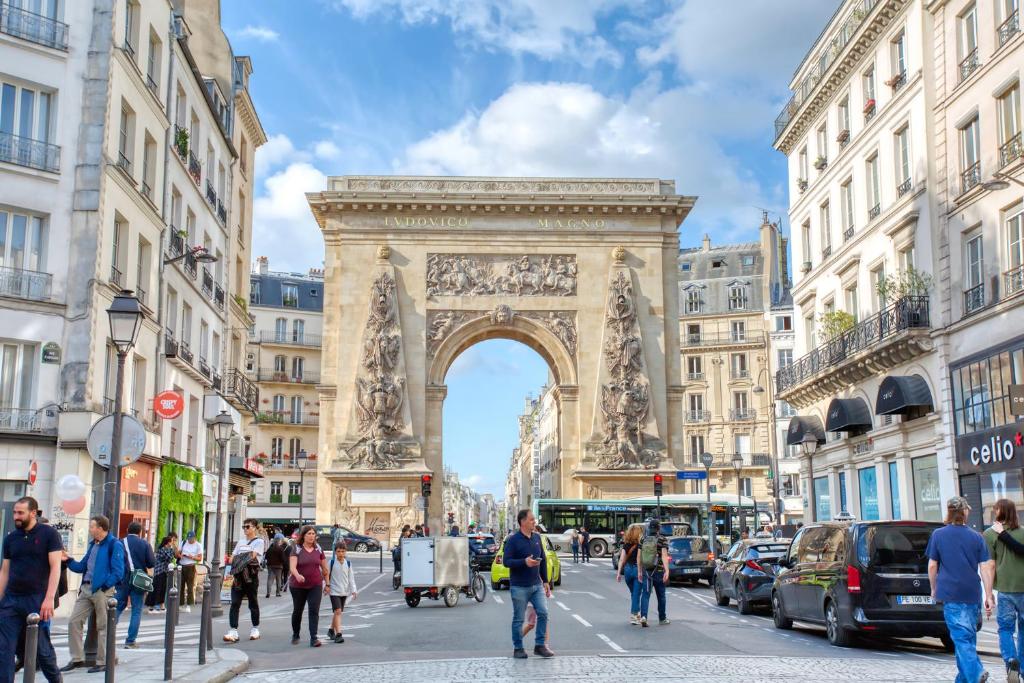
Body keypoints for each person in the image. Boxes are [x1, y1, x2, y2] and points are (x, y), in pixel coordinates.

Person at [926, 496, 995, 683]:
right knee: (967, 640)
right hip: (972, 593)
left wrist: (934, 588)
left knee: (962, 640)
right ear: (964, 513)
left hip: (951, 593)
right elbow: (986, 567)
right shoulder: (976, 537)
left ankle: (975, 673)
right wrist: (988, 595)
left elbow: (933, 565)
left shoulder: (938, 535)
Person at [0, 497, 62, 683]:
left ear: (33, 513)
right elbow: (5, 571)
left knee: (42, 651)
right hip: (11, 600)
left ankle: (56, 680)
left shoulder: (49, 534)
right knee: (4, 649)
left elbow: (55, 567)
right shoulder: (11, 538)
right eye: (14, 512)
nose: (16, 516)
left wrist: (49, 598)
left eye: (20, 513)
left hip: (36, 599)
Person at [63, 515, 126, 674]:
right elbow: (81, 566)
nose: (90, 529)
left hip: (101, 591)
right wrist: (68, 560)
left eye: (92, 526)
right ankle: (77, 658)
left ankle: (103, 661)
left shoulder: (114, 544)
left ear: (100, 528)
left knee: (103, 626)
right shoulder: (93, 545)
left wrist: (104, 586)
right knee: (74, 621)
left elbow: (118, 571)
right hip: (86, 589)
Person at [503, 509, 553, 659]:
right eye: (531, 520)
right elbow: (507, 561)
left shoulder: (537, 538)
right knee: (518, 619)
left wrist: (545, 581)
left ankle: (539, 645)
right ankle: (518, 648)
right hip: (519, 586)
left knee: (543, 613)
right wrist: (524, 562)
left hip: (536, 585)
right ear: (523, 521)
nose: (534, 522)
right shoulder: (513, 540)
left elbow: (542, 559)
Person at [986, 499, 1024, 682]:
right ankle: (1022, 668)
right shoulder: (1023, 531)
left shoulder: (989, 534)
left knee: (1005, 629)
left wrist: (988, 593)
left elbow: (990, 565)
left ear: (999, 512)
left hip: (1006, 590)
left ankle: (1011, 661)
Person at [224, 519, 265, 643]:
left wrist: (239, 558)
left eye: (248, 527)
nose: (245, 529)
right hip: (238, 576)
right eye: (244, 527)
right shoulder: (241, 542)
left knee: (253, 602)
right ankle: (233, 630)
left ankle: (255, 627)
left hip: (251, 576)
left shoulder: (259, 541)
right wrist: (242, 557)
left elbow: (251, 557)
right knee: (235, 603)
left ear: (254, 528)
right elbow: (231, 559)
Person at [288, 525, 328, 647]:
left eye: (313, 534)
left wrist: (327, 583)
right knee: (298, 611)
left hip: (315, 585)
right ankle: (296, 633)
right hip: (297, 586)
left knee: (314, 611)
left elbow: (324, 567)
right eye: (309, 534)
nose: (311, 536)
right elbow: (292, 567)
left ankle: (314, 638)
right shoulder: (297, 548)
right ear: (303, 536)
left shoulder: (319, 549)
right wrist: (298, 575)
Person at [116, 521, 155, 649]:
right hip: (138, 579)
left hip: (122, 578)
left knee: (117, 607)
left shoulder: (120, 542)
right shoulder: (144, 544)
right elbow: (151, 563)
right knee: (136, 610)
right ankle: (130, 640)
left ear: (127, 530)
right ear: (140, 532)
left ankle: (107, 634)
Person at [327, 542, 357, 643]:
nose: (340, 553)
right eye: (338, 551)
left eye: (343, 551)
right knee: (338, 611)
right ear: (335, 552)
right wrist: (325, 587)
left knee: (337, 612)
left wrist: (354, 590)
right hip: (334, 591)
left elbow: (351, 578)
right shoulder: (331, 562)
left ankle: (331, 630)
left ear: (345, 552)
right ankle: (338, 634)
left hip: (344, 592)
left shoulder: (348, 563)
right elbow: (326, 576)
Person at [615, 524, 646, 625]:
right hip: (638, 569)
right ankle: (633, 615)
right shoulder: (642, 544)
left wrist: (619, 573)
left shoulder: (626, 545)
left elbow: (621, 559)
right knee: (637, 594)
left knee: (634, 593)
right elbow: (641, 558)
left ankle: (636, 613)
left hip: (627, 570)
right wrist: (640, 571)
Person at [644, 519, 671, 626]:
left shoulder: (643, 538)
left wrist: (640, 571)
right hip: (658, 570)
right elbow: (664, 555)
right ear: (659, 528)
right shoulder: (662, 539)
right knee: (661, 596)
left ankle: (644, 617)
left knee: (645, 595)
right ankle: (662, 618)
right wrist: (667, 570)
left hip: (647, 570)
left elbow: (639, 556)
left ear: (650, 527)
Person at [146, 534, 177, 613]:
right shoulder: (162, 549)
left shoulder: (167, 549)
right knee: (157, 588)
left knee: (162, 589)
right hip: (159, 571)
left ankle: (161, 606)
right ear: (167, 543)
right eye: (171, 542)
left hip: (164, 571)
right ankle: (153, 606)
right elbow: (169, 557)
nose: (172, 543)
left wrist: (173, 550)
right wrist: (173, 549)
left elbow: (172, 557)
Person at [178, 530, 202, 613]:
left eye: (191, 538)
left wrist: (192, 557)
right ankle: (180, 604)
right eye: (188, 538)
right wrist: (180, 555)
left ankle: (188, 605)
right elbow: (178, 552)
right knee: (180, 586)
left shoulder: (198, 545)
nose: (189, 540)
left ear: (194, 538)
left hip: (191, 566)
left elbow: (200, 558)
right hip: (182, 565)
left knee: (190, 586)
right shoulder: (183, 542)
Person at [265, 533, 287, 598]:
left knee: (270, 579)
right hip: (278, 566)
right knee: (278, 579)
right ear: (278, 542)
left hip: (270, 566)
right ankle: (278, 593)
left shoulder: (270, 549)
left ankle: (268, 593)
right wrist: (283, 563)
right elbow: (283, 558)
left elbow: (266, 557)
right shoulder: (280, 549)